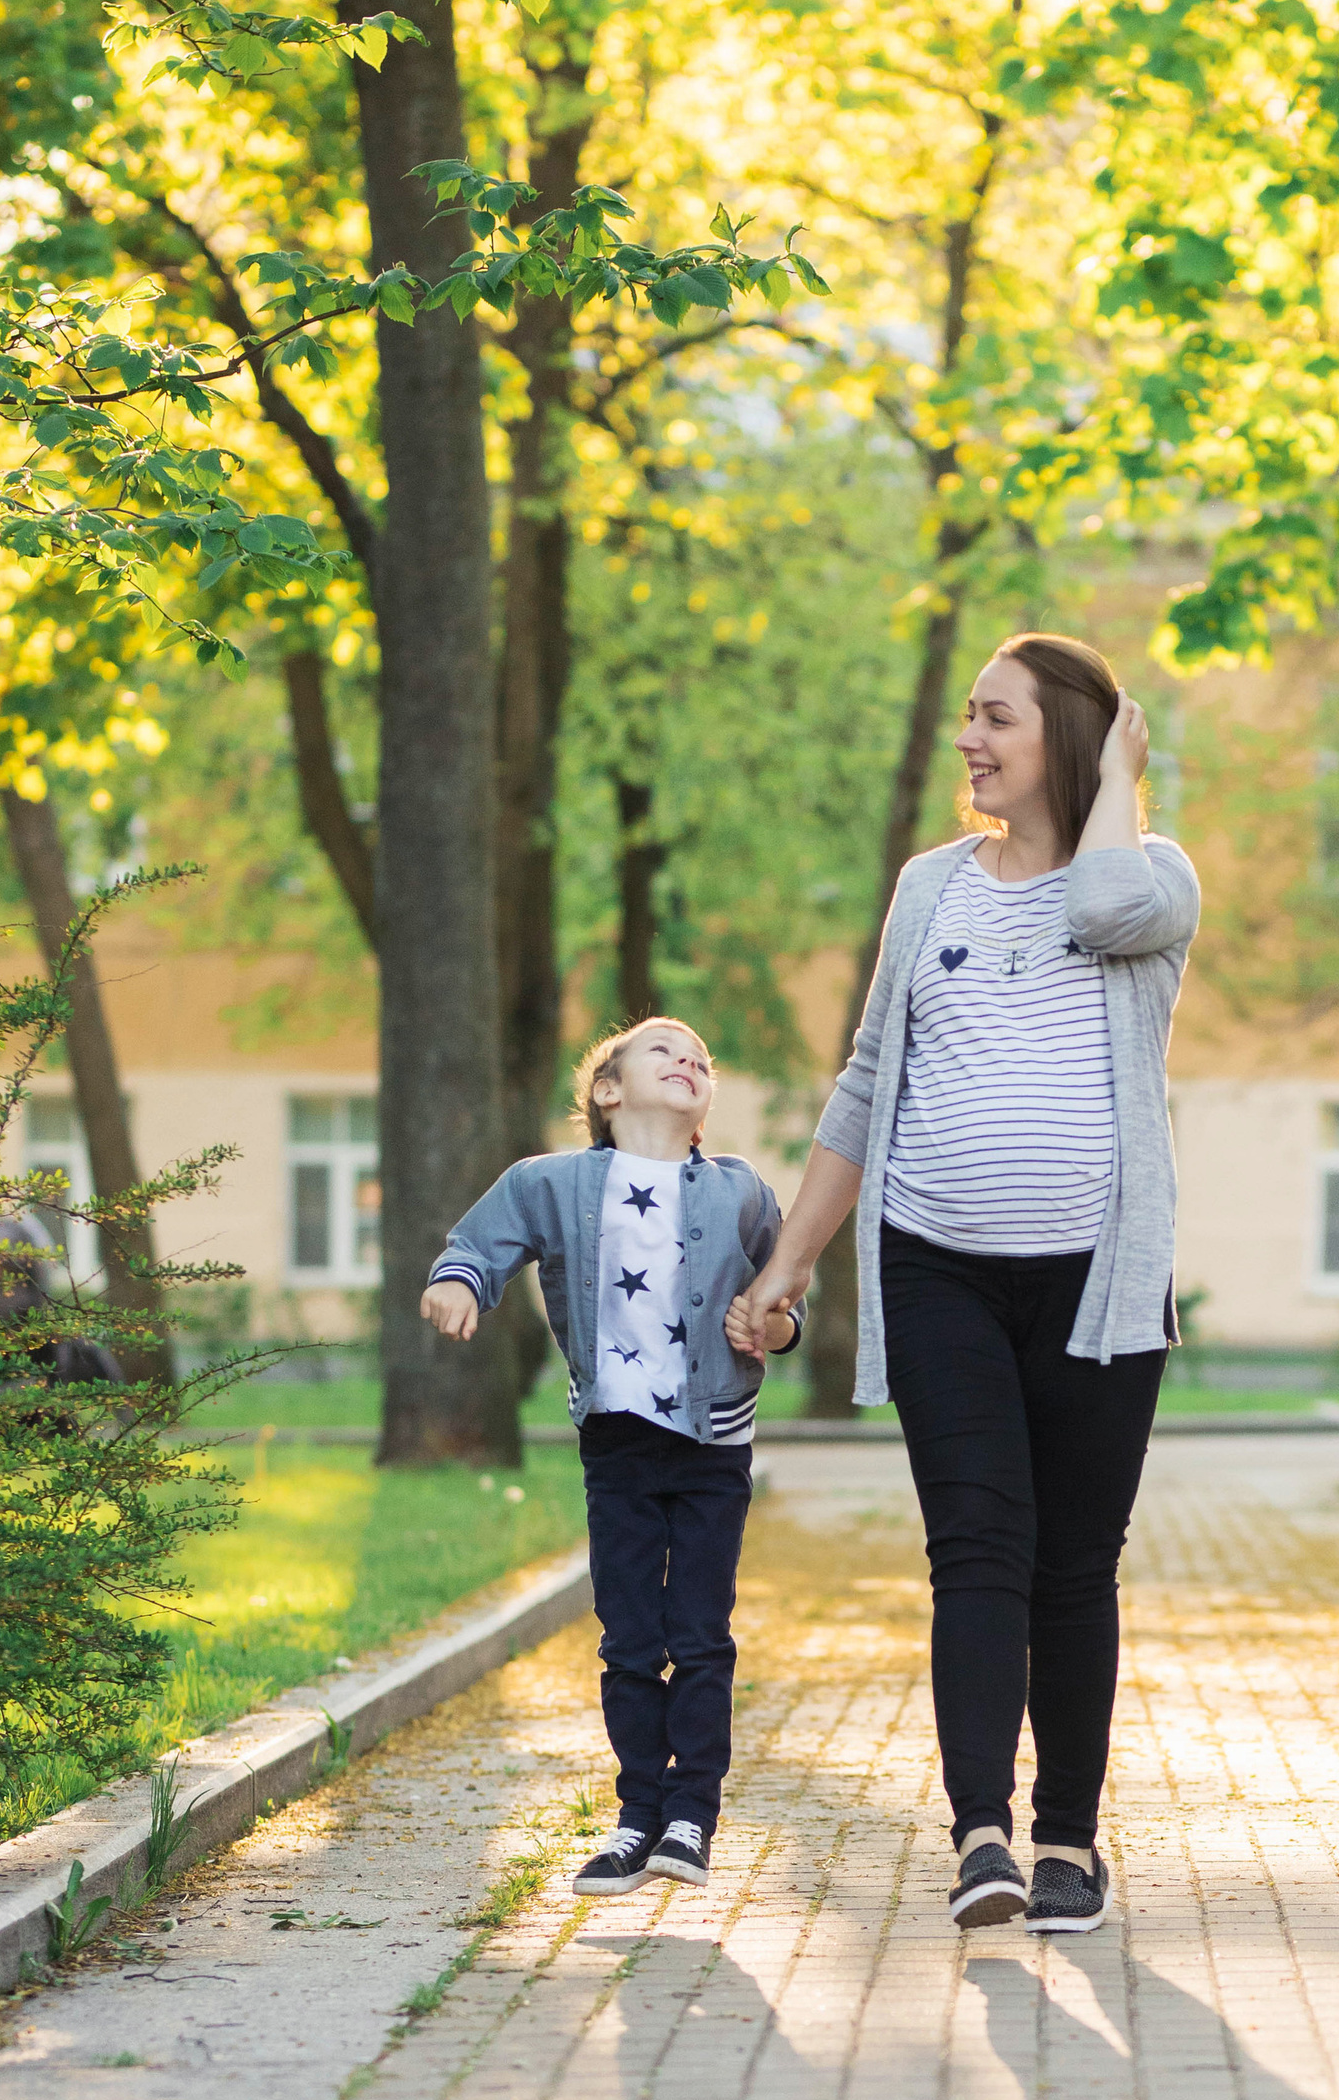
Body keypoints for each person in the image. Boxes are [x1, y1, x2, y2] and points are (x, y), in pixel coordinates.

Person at [731, 635, 1198, 1937]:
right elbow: (867, 1079)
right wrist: (789, 1263)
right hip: (938, 1269)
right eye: (967, 718)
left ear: (1069, 736)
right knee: (978, 1549)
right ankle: (982, 1832)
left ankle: (1069, 1841)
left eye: (996, 718)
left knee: (1072, 1565)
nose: (969, 741)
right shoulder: (929, 889)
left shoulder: (1152, 879)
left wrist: (1120, 777)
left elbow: (1100, 907)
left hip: (1098, 1287)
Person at [423, 1016, 803, 1896]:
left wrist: (775, 1323)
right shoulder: (552, 1182)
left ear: (704, 1108)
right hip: (618, 1443)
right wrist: (457, 1279)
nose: (689, 1061)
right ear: (607, 1091)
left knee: (700, 1635)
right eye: (664, 1051)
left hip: (714, 1441)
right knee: (631, 1637)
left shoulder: (741, 1190)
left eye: (702, 1060)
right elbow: (484, 1239)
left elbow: (786, 1300)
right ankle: (636, 1815)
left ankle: (688, 1818)